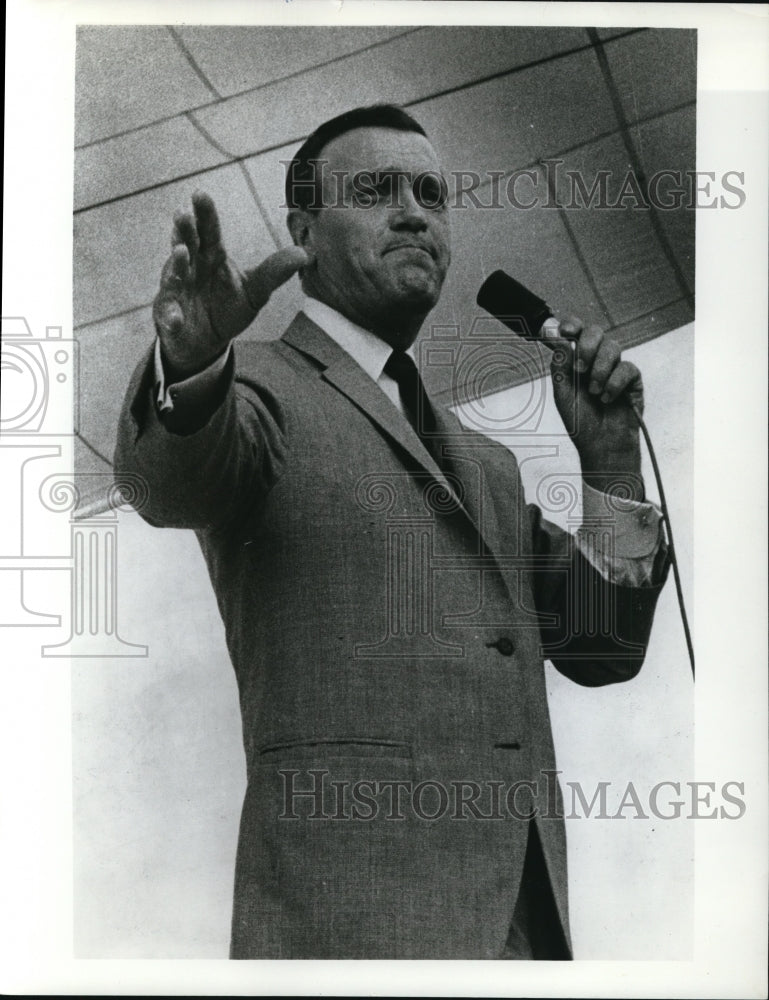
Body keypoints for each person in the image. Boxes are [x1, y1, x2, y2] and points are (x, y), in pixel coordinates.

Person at [115, 104, 669, 959]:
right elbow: (169, 480)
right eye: (374, 191)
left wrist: (610, 466)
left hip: (523, 927)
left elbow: (603, 646)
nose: (412, 211)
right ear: (302, 230)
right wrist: (191, 367)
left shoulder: (482, 463)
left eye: (430, 194)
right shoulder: (257, 389)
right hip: (348, 925)